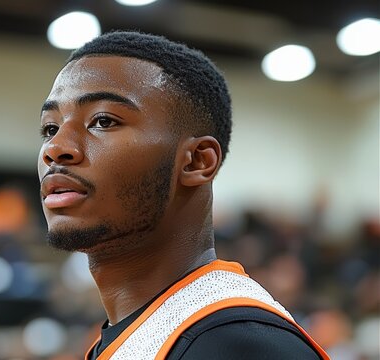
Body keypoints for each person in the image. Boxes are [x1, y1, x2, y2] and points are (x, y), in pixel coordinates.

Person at [37, 31, 329, 360]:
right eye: (50, 128)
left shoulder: (237, 345)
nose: (55, 148)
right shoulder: (143, 333)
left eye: (103, 121)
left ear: (197, 161)